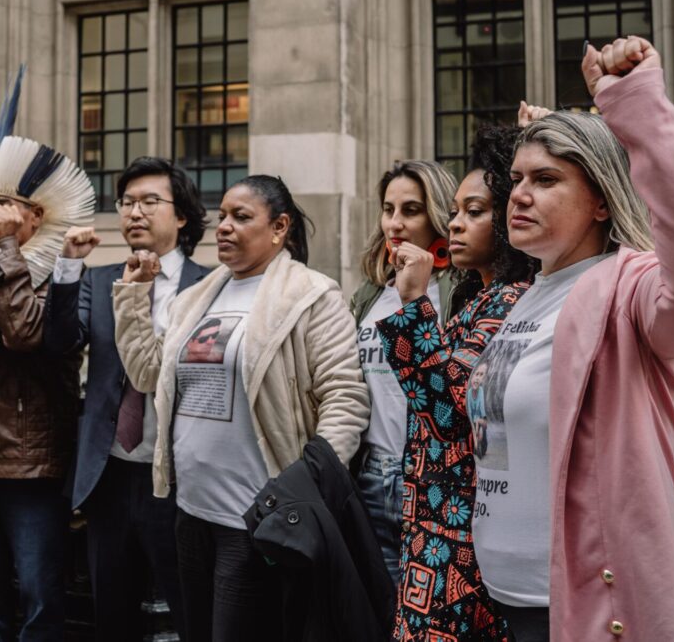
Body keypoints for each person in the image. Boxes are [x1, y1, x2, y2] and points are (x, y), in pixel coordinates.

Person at [466, 37, 674, 640]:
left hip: (585, 613)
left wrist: (636, 108)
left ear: (598, 200)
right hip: (498, 601)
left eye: (546, 179)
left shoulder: (630, 290)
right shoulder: (526, 297)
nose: (520, 195)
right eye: (515, 179)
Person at [113, 174, 371, 641]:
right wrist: (133, 296)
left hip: (253, 520)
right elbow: (147, 374)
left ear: (279, 228)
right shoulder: (197, 298)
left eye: (242, 217)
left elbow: (345, 397)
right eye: (223, 216)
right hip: (191, 512)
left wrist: (300, 489)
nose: (224, 227)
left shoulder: (312, 296)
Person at [0, 67, 93, 642]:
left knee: (37, 594)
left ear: (35, 216)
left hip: (29, 468)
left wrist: (6, 249)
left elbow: (30, 336)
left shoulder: (61, 275)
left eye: (4, 207)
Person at [374, 123, 539, 641]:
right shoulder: (480, 298)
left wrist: (414, 304)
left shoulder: (514, 302)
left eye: (476, 212)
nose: (458, 226)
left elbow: (450, 412)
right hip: (432, 523)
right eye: (455, 213)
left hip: (459, 533)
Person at [43, 156, 208, 641]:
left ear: (181, 215)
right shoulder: (97, 277)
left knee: (186, 608)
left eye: (149, 201)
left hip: (178, 476)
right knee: (112, 613)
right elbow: (60, 342)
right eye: (127, 202)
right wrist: (68, 265)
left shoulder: (209, 285)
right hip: (109, 473)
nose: (134, 212)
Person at [348, 160, 457, 586]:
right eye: (389, 209)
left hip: (430, 478)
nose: (395, 223)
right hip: (371, 474)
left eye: (411, 210)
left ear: (438, 214)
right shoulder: (371, 291)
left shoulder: (461, 289)